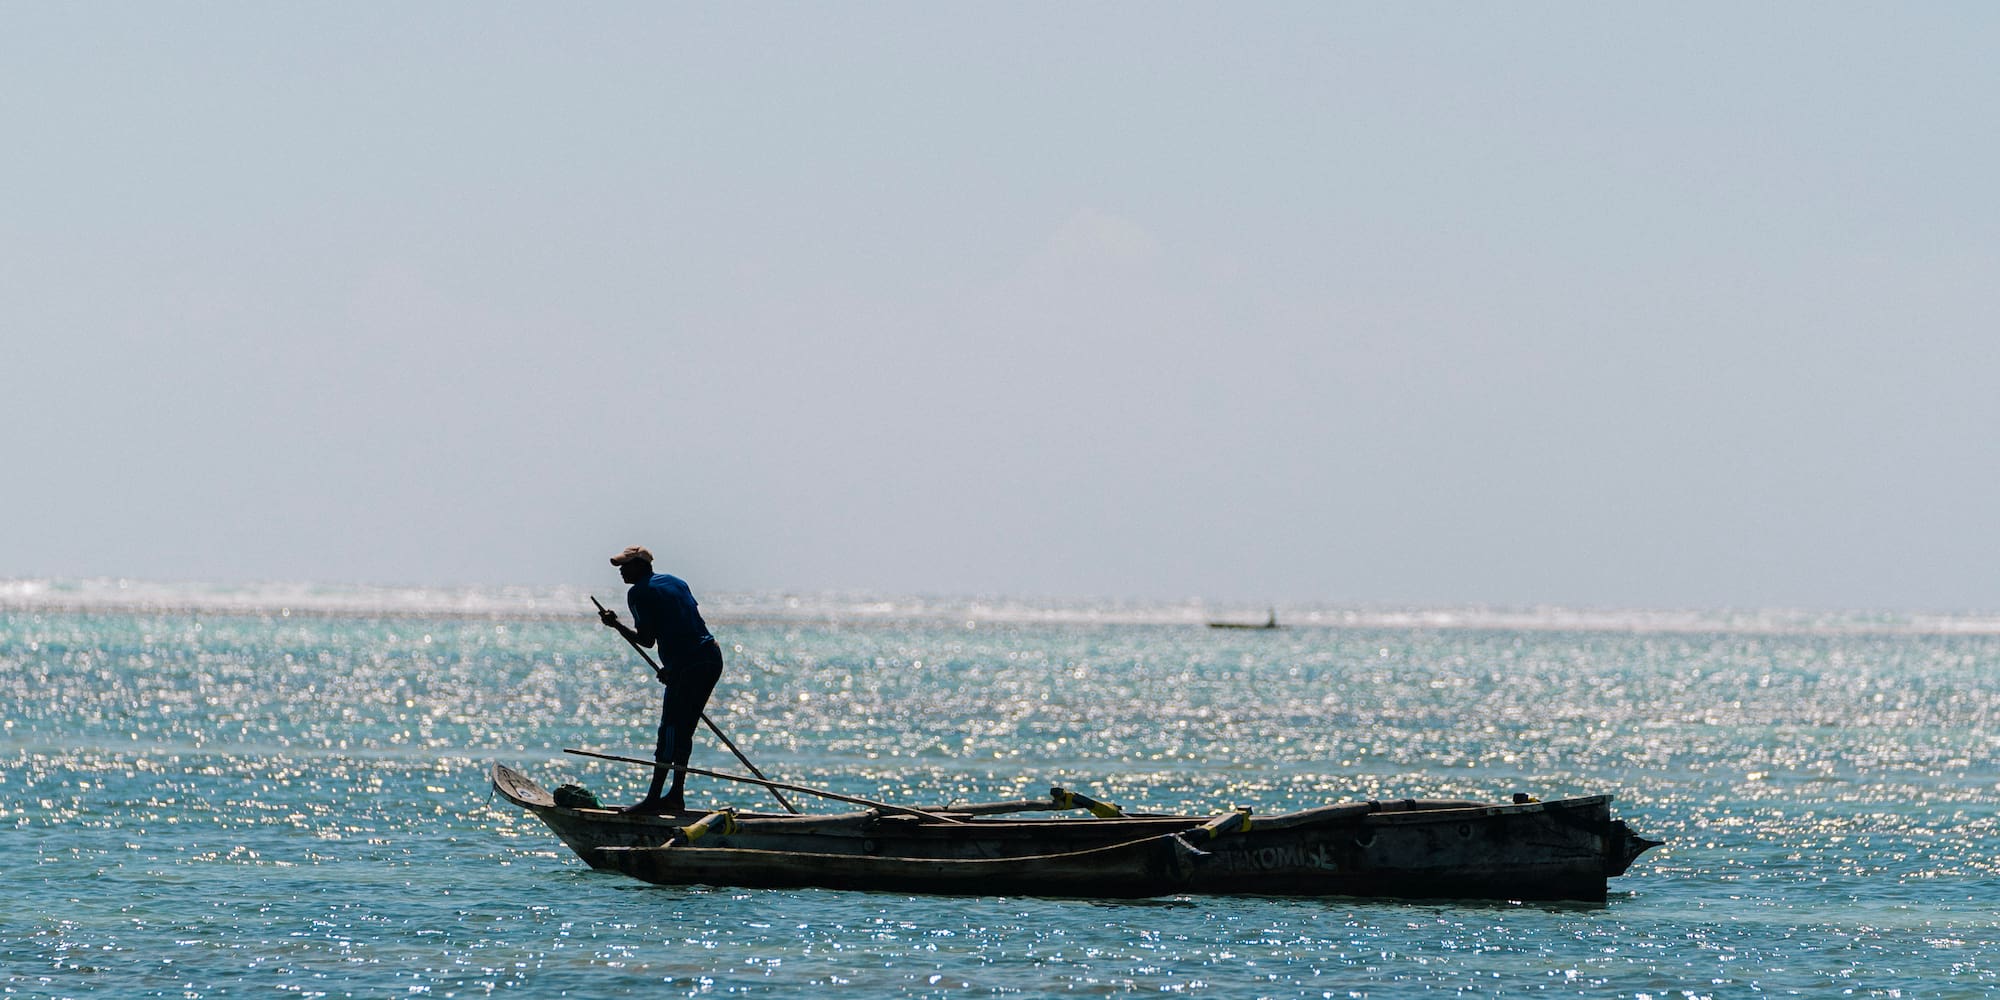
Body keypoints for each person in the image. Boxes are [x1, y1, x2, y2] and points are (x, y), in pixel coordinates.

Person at [597, 546, 724, 813]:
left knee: (670, 730)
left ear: (641, 566)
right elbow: (685, 624)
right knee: (683, 730)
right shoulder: (677, 581)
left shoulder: (639, 593)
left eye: (625, 566)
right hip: (710, 657)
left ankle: (655, 799)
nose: (621, 572)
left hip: (690, 664)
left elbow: (647, 640)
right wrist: (674, 667)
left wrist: (616, 624)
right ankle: (675, 796)